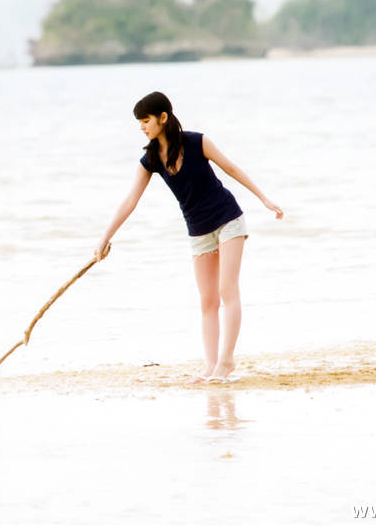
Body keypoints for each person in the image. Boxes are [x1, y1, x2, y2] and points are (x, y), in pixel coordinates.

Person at [93, 91, 283, 383]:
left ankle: (226, 362)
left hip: (228, 219)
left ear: (163, 117)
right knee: (207, 300)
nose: (142, 127)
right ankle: (210, 366)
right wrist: (104, 237)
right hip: (198, 229)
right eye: (139, 122)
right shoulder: (151, 159)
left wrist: (264, 199)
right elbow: (131, 199)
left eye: (146, 120)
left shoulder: (197, 142)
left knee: (226, 290)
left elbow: (231, 168)